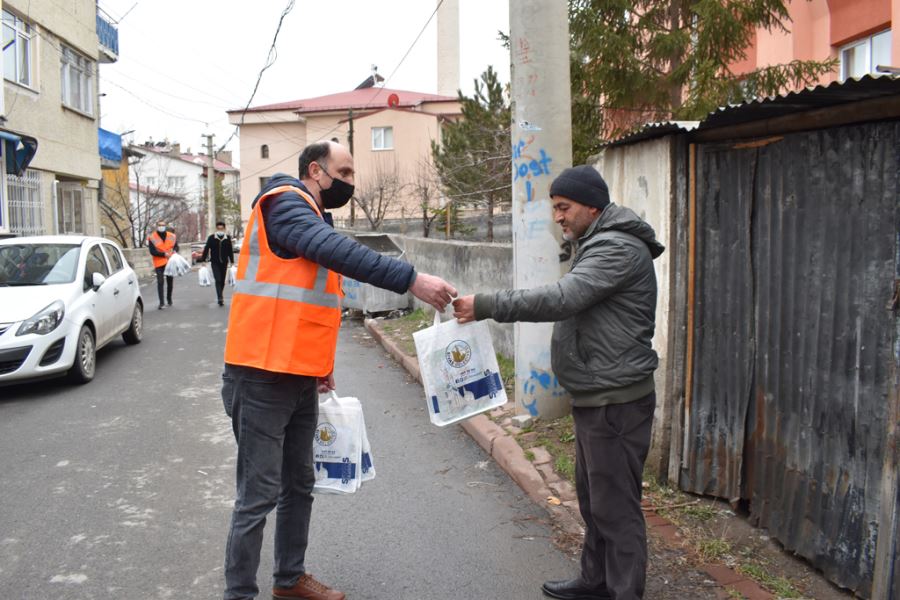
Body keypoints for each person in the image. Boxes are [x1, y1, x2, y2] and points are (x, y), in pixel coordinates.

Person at [221, 140, 456, 600]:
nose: (350, 182)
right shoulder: (285, 205)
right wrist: (411, 279)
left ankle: (288, 580)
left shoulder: (311, 215)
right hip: (260, 374)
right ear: (315, 170)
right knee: (258, 495)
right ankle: (240, 594)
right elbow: (337, 251)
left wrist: (321, 367)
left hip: (298, 374)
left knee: (299, 484)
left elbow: (308, 306)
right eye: (344, 171)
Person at [453, 165, 664, 600]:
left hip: (616, 399)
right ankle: (596, 580)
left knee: (616, 506)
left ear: (593, 206)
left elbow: (563, 298)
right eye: (554, 209)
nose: (558, 217)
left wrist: (487, 304)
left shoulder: (617, 249)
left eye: (564, 207)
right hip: (597, 393)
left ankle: (623, 591)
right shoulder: (595, 243)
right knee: (594, 498)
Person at [202, 221, 235, 306]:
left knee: (223, 281)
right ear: (216, 229)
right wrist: (203, 260)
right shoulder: (211, 238)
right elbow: (206, 249)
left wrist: (232, 261)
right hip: (214, 262)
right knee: (218, 279)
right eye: (218, 228)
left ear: (224, 229)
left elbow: (230, 251)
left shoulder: (227, 238)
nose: (220, 230)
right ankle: (220, 298)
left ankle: (220, 294)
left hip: (224, 263)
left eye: (222, 228)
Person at [147, 219, 178, 309]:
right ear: (157, 226)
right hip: (159, 263)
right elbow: (152, 251)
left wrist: (175, 251)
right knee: (160, 282)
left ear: (165, 226)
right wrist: (164, 254)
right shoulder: (152, 237)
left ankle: (169, 299)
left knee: (170, 281)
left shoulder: (171, 236)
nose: (162, 227)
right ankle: (161, 302)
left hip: (170, 262)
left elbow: (176, 246)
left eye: (163, 225)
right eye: (160, 225)